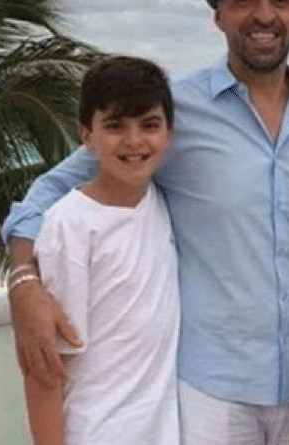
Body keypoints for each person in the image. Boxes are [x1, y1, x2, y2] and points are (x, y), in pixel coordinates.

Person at [2, 0, 289, 444]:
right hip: (209, 391)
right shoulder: (171, 112)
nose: (264, 15)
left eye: (280, 1)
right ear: (218, 15)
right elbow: (49, 193)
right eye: (243, 1)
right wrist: (23, 280)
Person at [22, 56, 179, 445]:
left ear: (169, 133)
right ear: (87, 135)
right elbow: (44, 365)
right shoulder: (69, 225)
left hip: (161, 432)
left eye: (149, 125)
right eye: (115, 127)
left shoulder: (158, 201)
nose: (134, 141)